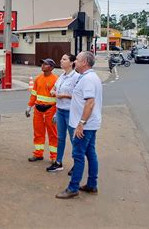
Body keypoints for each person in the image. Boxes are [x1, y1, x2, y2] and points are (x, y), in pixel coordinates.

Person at [56, 51, 103, 199]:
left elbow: (90, 102)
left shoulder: (88, 79)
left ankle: (73, 187)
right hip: (90, 123)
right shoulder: (89, 77)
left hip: (85, 125)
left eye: (77, 59)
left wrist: (81, 123)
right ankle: (91, 184)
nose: (75, 61)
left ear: (84, 63)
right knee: (90, 153)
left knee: (78, 155)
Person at [46, 53, 80, 172]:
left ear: (71, 62)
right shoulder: (62, 76)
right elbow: (54, 88)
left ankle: (77, 164)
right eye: (61, 58)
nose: (61, 61)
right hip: (60, 111)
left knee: (73, 139)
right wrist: (53, 91)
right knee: (60, 138)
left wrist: (63, 95)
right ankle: (58, 162)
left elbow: (78, 96)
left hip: (71, 113)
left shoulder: (76, 77)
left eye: (64, 59)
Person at [25, 58, 58, 162]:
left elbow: (58, 98)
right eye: (42, 64)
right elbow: (34, 94)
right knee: (38, 132)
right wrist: (29, 106)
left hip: (50, 109)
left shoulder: (56, 80)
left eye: (45, 64)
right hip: (38, 109)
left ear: (51, 67)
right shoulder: (38, 79)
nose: (42, 65)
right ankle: (38, 154)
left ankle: (54, 157)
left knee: (52, 133)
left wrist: (57, 113)